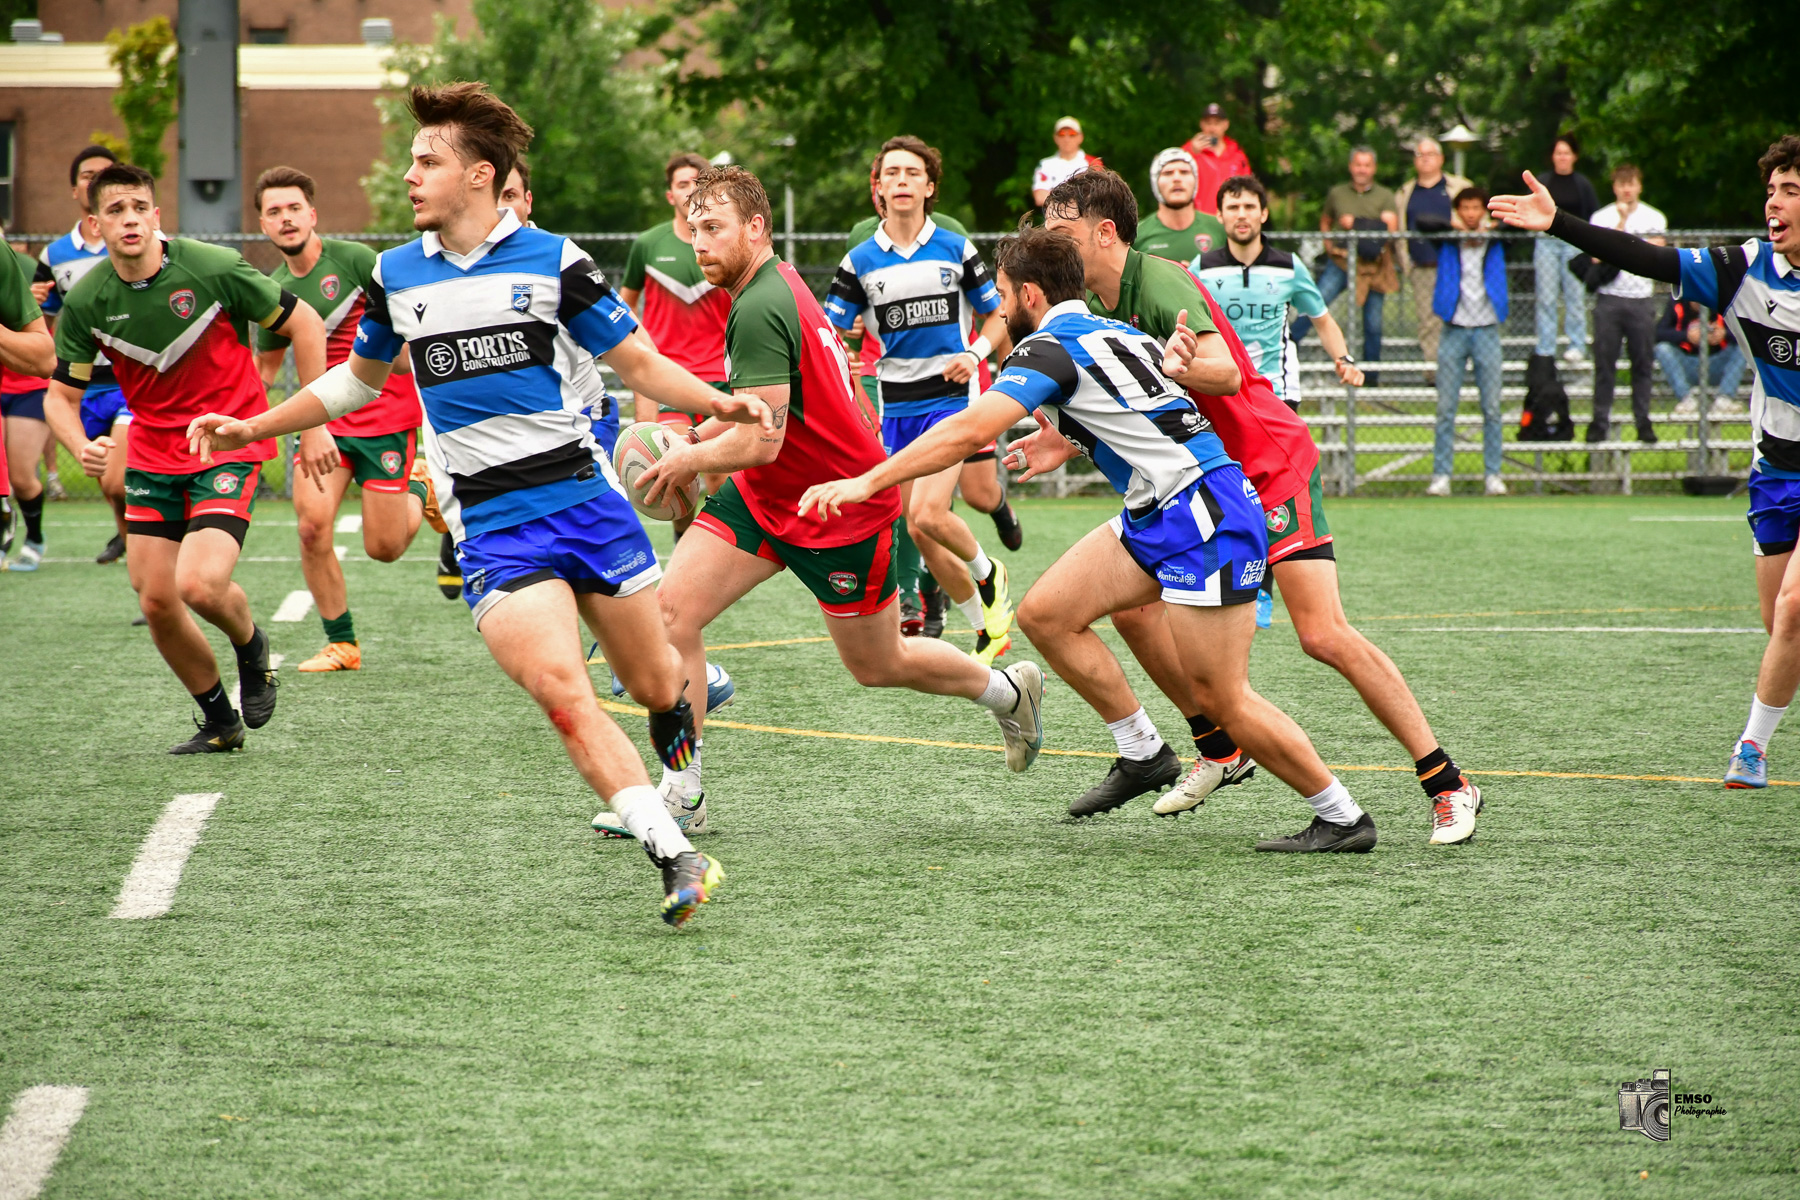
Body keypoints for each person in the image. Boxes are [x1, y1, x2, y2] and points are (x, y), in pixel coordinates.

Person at [188, 84, 770, 926]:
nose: (409, 175)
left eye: (427, 161)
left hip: (587, 504)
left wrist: (718, 403)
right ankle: (675, 854)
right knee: (563, 691)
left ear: (480, 175)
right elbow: (357, 380)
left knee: (654, 686)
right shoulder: (395, 274)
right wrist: (255, 425)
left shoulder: (556, 260)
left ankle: (684, 739)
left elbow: (638, 365)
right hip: (494, 527)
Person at [801, 224, 1386, 853]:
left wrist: (869, 481)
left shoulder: (1046, 347)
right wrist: (1064, 440)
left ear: (1030, 295)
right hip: (1162, 509)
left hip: (1202, 515)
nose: (1000, 308)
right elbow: (1133, 413)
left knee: (1224, 697)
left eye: (1004, 295)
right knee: (1048, 614)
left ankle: (1342, 816)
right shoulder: (1112, 331)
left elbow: (968, 430)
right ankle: (1143, 751)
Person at [1041, 168, 1481, 846]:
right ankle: (1219, 747)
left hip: (1265, 469)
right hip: (1205, 490)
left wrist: (1178, 365)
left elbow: (1225, 372)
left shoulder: (1156, 282)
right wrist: (1062, 440)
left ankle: (1447, 783)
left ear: (1103, 233)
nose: (1051, 242)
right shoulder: (1095, 303)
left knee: (1323, 635)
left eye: (1061, 230)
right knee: (1128, 609)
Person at [639, 165, 1046, 832]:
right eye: (693, 230)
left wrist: (688, 457)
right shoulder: (770, 284)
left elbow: (760, 439)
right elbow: (760, 411)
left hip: (838, 508)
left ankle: (1008, 692)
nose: (699, 243)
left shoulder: (760, 304)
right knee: (670, 614)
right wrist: (692, 435)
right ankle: (684, 791)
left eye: (713, 227)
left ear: (756, 227)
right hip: (765, 497)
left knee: (880, 665)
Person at [1490, 133, 1800, 791]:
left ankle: (1751, 748)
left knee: (1796, 605)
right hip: (1776, 470)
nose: (1774, 203)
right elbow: (1648, 258)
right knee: (1781, 627)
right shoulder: (1745, 268)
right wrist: (1560, 223)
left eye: (1791, 191)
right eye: (1772, 190)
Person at [43, 162, 327, 753]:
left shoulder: (211, 266)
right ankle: (220, 721)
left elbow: (306, 323)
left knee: (199, 584)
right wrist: (80, 445)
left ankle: (251, 644)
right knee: (156, 600)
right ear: (94, 224)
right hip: (152, 455)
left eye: (138, 208)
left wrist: (316, 424)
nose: (129, 220)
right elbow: (59, 398)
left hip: (227, 441)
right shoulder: (88, 300)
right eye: (115, 210)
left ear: (156, 215)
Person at [495, 162, 736, 724]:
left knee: (593, 544)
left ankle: (670, 662)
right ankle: (652, 656)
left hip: (583, 425)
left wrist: (662, 408)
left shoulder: (558, 260)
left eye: (511, 194)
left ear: (528, 200)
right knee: (562, 561)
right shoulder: (453, 271)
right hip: (522, 446)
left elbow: (632, 339)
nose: (502, 207)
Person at [825, 136, 1016, 666]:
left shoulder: (956, 247)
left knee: (931, 513)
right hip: (897, 408)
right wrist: (845, 363)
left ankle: (990, 575)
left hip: (953, 399)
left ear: (929, 187)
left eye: (913, 173)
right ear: (879, 188)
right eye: (892, 173)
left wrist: (975, 353)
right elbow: (830, 333)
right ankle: (985, 626)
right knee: (917, 527)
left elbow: (998, 315)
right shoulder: (859, 261)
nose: (902, 180)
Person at [252, 166, 432, 673]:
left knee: (385, 548)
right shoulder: (273, 288)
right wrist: (236, 421)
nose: (286, 219)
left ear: (312, 214)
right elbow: (264, 371)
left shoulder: (354, 260)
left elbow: (404, 323)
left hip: (385, 414)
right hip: (320, 422)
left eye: (294, 208)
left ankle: (421, 487)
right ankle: (342, 644)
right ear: (263, 225)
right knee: (311, 529)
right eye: (274, 212)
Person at [22, 144, 129, 569]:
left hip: (131, 381)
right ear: (74, 190)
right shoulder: (54, 256)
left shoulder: (137, 240)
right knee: (105, 477)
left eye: (106, 173)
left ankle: (147, 545)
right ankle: (128, 536)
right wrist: (31, 304)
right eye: (88, 175)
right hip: (84, 385)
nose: (96, 180)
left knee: (119, 479)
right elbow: (42, 323)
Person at [618, 152, 732, 537]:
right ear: (670, 195)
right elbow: (624, 307)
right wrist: (640, 359)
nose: (690, 191)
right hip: (670, 381)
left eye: (697, 183)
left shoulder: (725, 245)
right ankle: (685, 541)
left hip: (719, 379)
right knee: (679, 482)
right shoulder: (648, 245)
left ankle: (716, 552)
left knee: (719, 480)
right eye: (682, 184)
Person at [1194, 175, 1364, 408]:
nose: (1241, 214)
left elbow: (1322, 321)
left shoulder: (1289, 267)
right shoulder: (1201, 269)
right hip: (1222, 394)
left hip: (1277, 391)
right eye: (1233, 207)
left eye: (1249, 207)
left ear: (1263, 214)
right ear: (1220, 215)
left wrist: (1344, 360)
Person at [1426, 188, 1511, 497]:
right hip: (1454, 329)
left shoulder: (1495, 239)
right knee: (1446, 408)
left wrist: (1493, 227)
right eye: (1466, 208)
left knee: (1492, 408)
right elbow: (1422, 222)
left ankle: (1493, 474)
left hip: (1487, 329)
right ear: (1458, 211)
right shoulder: (1449, 239)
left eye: (1476, 208)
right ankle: (1441, 475)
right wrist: (1455, 228)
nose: (1472, 214)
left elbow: (1516, 228)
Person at [1291, 147, 1398, 380]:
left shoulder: (1385, 195)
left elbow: (1390, 228)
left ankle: (1370, 379)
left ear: (1374, 168)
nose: (1362, 170)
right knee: (1315, 304)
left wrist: (1356, 223)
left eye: (1367, 165)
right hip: (1341, 262)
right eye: (1358, 164)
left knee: (1373, 323)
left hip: (1372, 266)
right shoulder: (1337, 193)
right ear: (1351, 167)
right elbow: (1326, 220)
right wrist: (1329, 246)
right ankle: (1288, 346)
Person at [1586, 164, 1668, 444]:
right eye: (1621, 184)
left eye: (1631, 183)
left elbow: (1655, 253)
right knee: (1604, 364)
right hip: (1609, 299)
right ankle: (1599, 423)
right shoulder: (1601, 217)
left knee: (1642, 364)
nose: (1626, 189)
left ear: (1639, 186)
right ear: (1614, 187)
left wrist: (1619, 247)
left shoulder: (1654, 217)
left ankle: (1643, 422)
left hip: (1640, 299)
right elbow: (1597, 256)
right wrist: (1622, 226)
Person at [0, 234, 56, 561]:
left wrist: (32, 303)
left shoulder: (26, 267)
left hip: (28, 387)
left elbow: (45, 344)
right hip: (3, 387)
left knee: (21, 477)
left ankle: (34, 538)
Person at [1395, 138, 1471, 376]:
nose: (1425, 159)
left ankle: (1459, 370)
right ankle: (1434, 374)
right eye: (1420, 154)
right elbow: (1399, 230)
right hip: (1422, 266)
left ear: (1441, 159)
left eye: (1430, 154)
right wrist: (1405, 262)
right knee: (1428, 322)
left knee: (1461, 317)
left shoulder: (1458, 187)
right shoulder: (1405, 193)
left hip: (1456, 264)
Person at [1533, 135, 1600, 363]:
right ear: (1553, 157)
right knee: (1546, 297)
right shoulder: (1543, 182)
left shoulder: (1583, 184)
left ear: (1574, 157)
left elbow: (1593, 215)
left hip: (1574, 243)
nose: (1562, 157)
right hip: (1546, 242)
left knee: (1575, 295)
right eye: (1558, 153)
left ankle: (1577, 345)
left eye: (1566, 153)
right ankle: (1546, 348)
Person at [1655, 296, 1745, 415]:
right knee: (1662, 348)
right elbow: (1657, 333)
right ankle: (1687, 400)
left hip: (1717, 364)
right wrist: (1687, 336)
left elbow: (1746, 333)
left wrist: (1724, 334)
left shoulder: (1723, 303)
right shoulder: (1677, 303)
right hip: (1687, 365)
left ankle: (1724, 400)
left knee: (1743, 348)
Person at [1137, 148, 1226, 263]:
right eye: (1168, 173)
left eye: (1184, 172)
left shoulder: (1221, 228)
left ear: (1195, 180)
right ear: (1155, 182)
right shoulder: (1136, 235)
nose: (1177, 178)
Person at [1180, 103, 1253, 218]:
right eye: (1208, 123)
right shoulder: (1190, 151)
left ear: (1226, 125)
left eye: (1217, 123)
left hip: (1231, 218)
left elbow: (1248, 188)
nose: (1212, 128)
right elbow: (1176, 174)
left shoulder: (1237, 155)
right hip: (1199, 218)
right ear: (1201, 124)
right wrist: (1191, 152)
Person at [1031, 117, 1103, 208]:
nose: (1067, 139)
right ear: (1055, 138)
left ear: (1080, 137)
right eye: (1062, 134)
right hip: (1053, 215)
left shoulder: (1093, 163)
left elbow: (1097, 196)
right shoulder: (1045, 164)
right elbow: (1040, 197)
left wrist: (1056, 197)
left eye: (1072, 134)